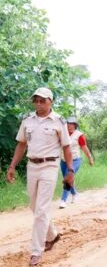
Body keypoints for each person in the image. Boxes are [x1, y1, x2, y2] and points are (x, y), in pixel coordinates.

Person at [6, 87, 74, 266]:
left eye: (42, 100)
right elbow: (21, 144)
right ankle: (52, 235)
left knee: (41, 209)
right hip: (32, 166)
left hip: (50, 166)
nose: (38, 103)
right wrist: (12, 166)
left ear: (50, 101)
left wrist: (70, 171)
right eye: (35, 100)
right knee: (34, 206)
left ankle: (36, 251)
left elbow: (66, 147)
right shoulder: (28, 121)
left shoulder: (58, 121)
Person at [58, 116, 94, 209]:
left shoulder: (79, 135)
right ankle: (74, 193)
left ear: (75, 125)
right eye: (68, 124)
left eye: (71, 124)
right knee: (67, 178)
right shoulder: (63, 133)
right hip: (63, 160)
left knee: (68, 175)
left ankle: (63, 200)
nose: (69, 126)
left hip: (75, 160)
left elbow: (84, 147)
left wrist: (90, 158)